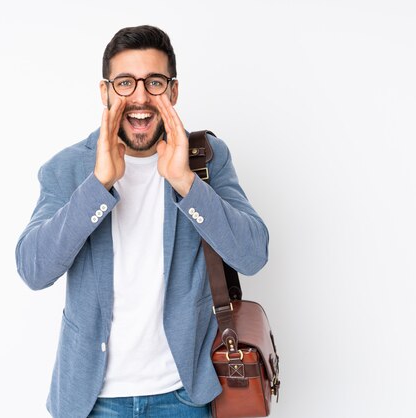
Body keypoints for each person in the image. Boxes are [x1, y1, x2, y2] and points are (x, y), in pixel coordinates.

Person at [15, 25, 269, 418]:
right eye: (124, 83)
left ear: (173, 91)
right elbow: (34, 269)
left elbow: (253, 254)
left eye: (154, 82)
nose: (139, 97)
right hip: (91, 398)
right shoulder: (67, 168)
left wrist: (186, 183)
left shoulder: (205, 158)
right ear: (105, 92)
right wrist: (98, 185)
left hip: (184, 395)